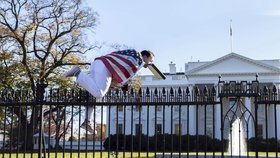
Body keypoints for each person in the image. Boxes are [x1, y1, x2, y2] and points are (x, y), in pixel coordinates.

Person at [64, 49, 155, 132]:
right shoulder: (138, 60)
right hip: (105, 66)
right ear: (146, 56)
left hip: (97, 63)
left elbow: (117, 76)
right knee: (99, 93)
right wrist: (124, 84)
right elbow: (126, 76)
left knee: (94, 94)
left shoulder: (130, 55)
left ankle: (88, 121)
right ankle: (78, 73)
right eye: (151, 60)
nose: (151, 63)